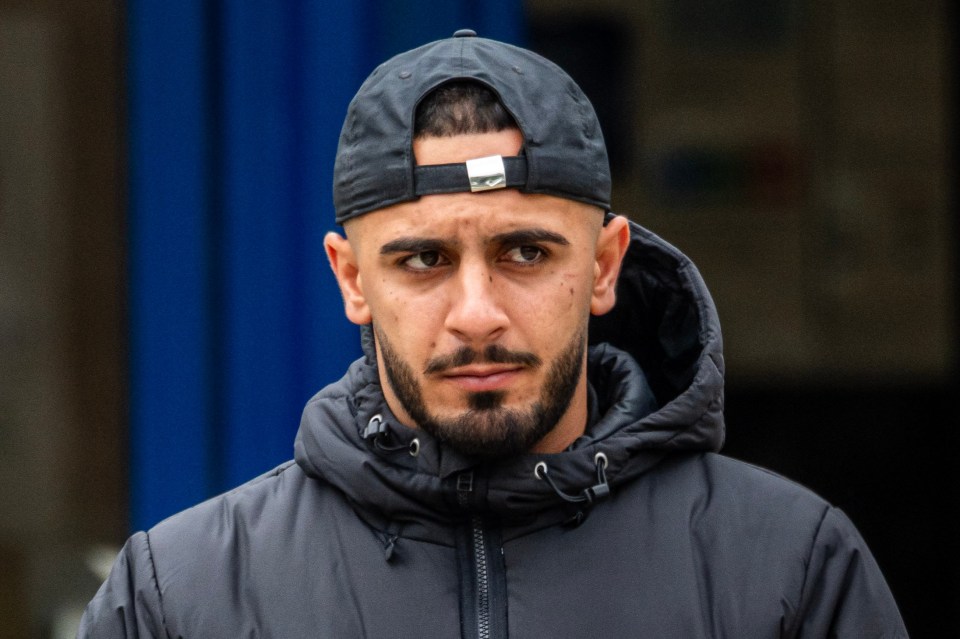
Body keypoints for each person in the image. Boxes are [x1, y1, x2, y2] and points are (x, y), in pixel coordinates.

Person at [79, 30, 907, 637]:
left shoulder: (789, 572)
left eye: (525, 251)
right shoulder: (183, 595)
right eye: (424, 259)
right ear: (353, 278)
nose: (477, 312)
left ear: (605, 265)